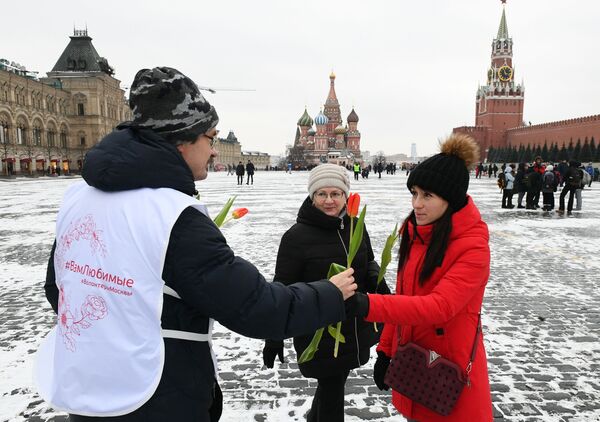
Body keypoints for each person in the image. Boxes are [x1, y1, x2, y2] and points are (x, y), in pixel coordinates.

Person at [35, 67, 358, 422]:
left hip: (85, 387)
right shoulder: (173, 216)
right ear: (182, 139)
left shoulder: (79, 197)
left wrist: (114, 326)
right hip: (154, 394)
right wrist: (328, 293)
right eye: (210, 137)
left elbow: (59, 289)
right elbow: (255, 307)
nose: (214, 151)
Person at [346, 134, 493, 421]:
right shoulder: (415, 234)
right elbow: (403, 297)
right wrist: (386, 350)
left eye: (427, 195)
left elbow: (440, 307)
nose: (417, 204)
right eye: (414, 193)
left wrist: (367, 305)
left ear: (450, 199)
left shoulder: (473, 247)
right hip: (413, 365)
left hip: (447, 371)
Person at [262, 164, 389, 422]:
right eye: (322, 194)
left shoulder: (355, 226)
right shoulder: (296, 237)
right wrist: (273, 337)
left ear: (346, 196)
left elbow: (369, 261)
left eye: (336, 194)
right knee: (332, 393)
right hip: (318, 331)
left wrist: (379, 284)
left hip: (352, 327)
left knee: (332, 386)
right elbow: (282, 287)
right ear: (312, 196)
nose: (329, 201)